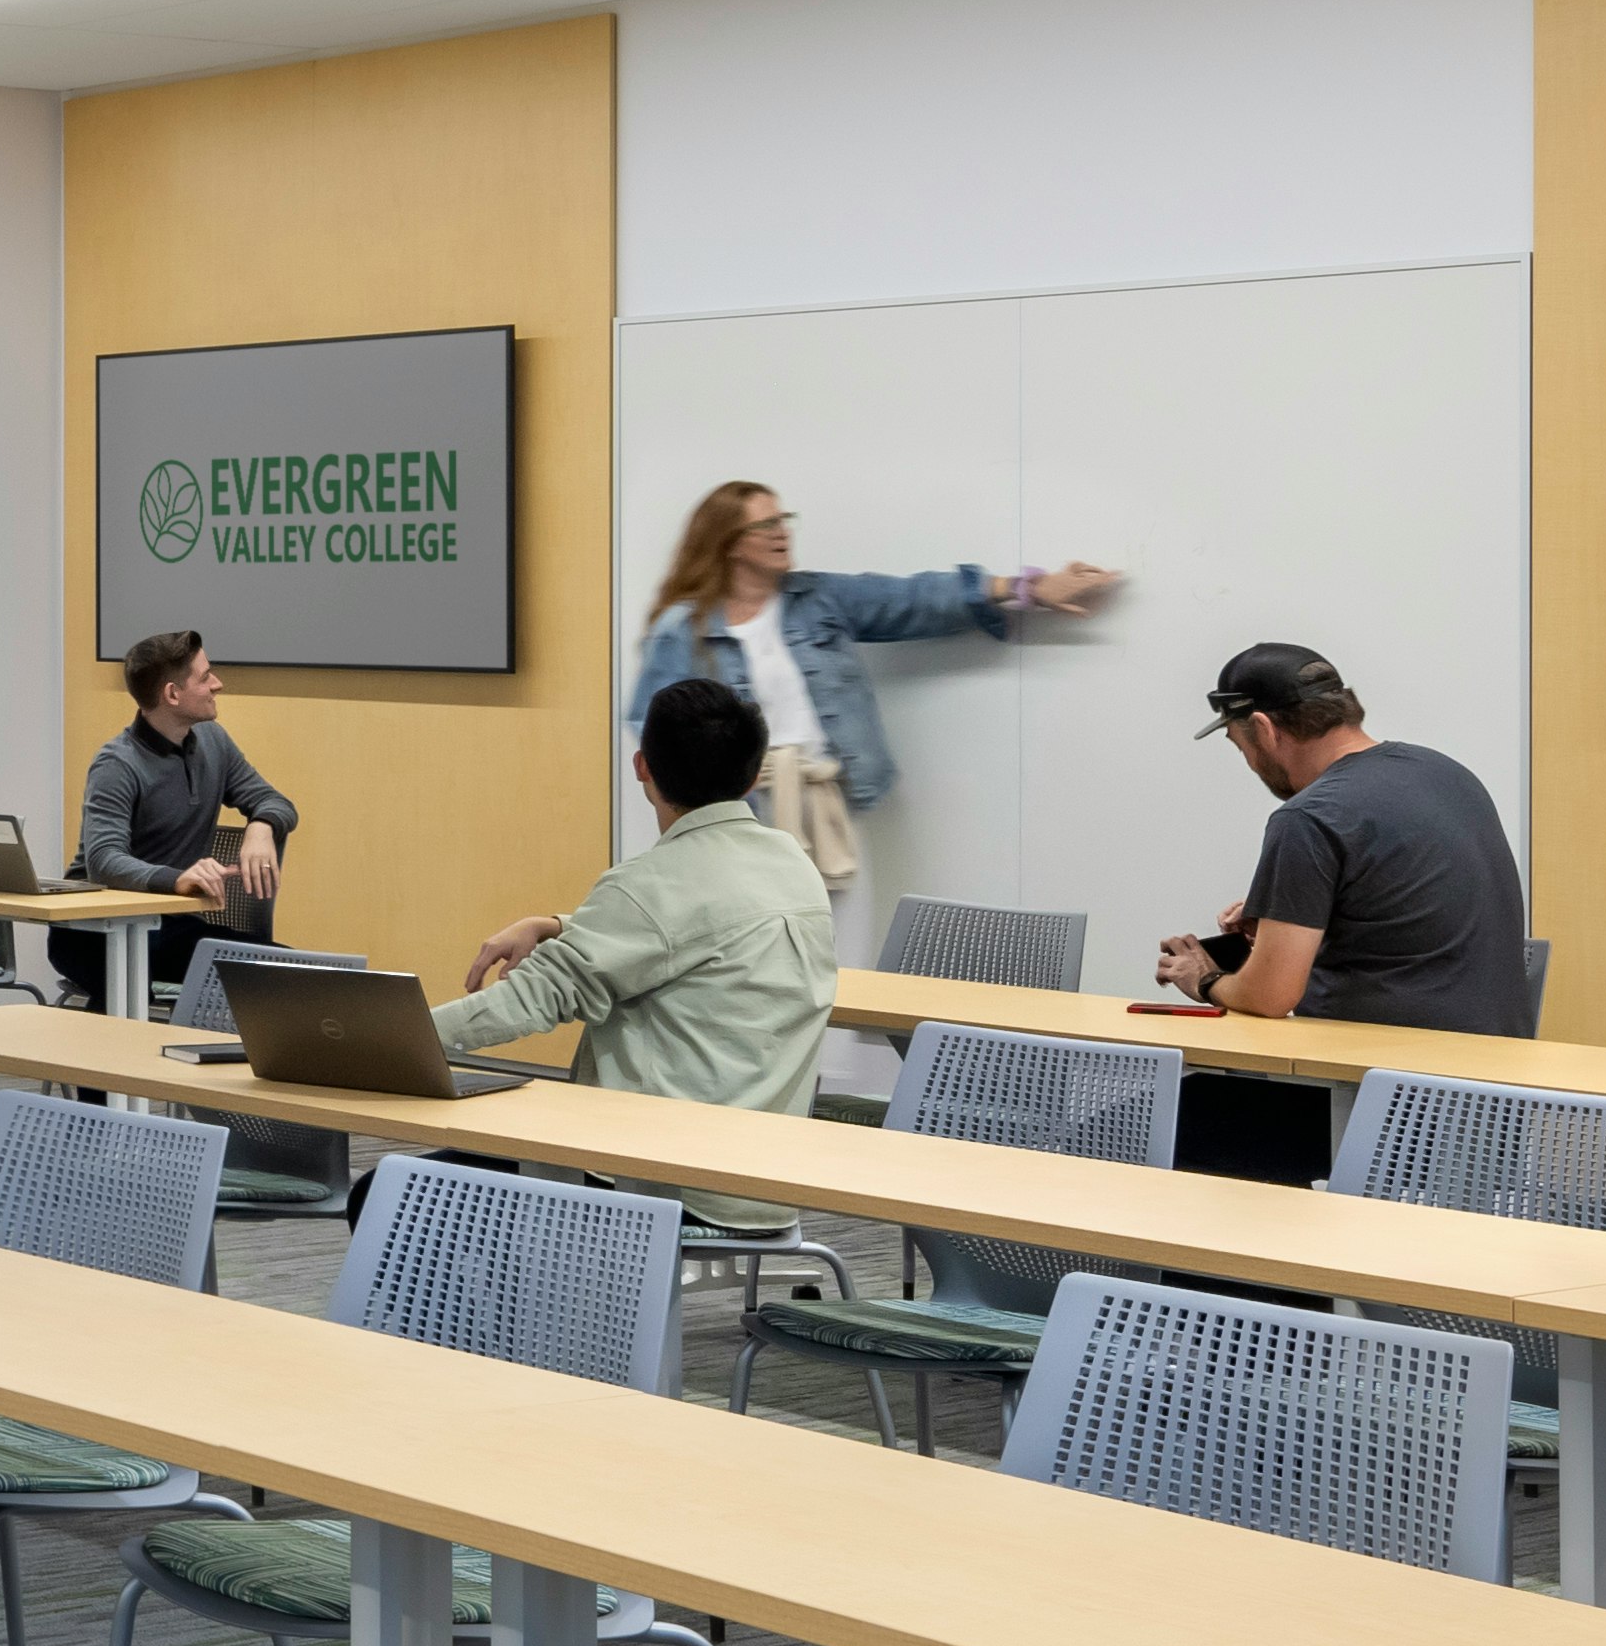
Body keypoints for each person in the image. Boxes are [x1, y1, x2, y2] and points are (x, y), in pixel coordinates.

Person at [619, 483, 1121, 903]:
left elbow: (912, 598)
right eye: (765, 526)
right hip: (738, 813)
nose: (782, 532)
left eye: (784, 519)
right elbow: (653, 726)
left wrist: (1030, 588)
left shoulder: (819, 599)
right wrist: (690, 814)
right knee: (756, 956)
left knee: (844, 965)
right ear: (730, 543)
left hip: (828, 804)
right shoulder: (682, 629)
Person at [1159, 640, 1529, 1184]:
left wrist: (1206, 977)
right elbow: (1406, 919)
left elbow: (1268, 998)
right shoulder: (1446, 774)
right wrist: (1293, 919)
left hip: (1379, 1111)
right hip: (1492, 1109)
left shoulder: (1308, 817)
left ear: (1263, 728)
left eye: (1240, 746)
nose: (1248, 762)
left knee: (1136, 1128)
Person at [445, 676, 839, 1184]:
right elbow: (696, 933)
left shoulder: (648, 885)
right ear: (748, 780)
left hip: (652, 1181)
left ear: (641, 766)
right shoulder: (793, 865)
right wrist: (559, 926)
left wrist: (386, 1041)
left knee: (396, 1193)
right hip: (766, 1176)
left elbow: (530, 1000)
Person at [60, 629, 300, 1001]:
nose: (217, 684)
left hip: (172, 928)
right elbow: (103, 861)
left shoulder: (213, 742)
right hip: (93, 933)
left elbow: (275, 801)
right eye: (205, 678)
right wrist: (177, 879)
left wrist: (261, 826)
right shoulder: (117, 763)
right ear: (172, 694)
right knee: (135, 993)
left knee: (295, 975)